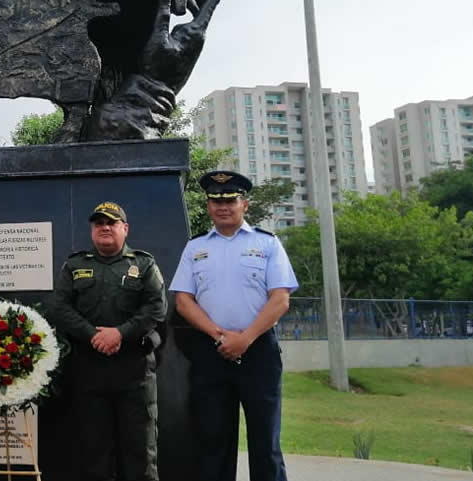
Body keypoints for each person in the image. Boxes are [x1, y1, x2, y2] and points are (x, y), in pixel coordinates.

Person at [170, 170, 299, 481]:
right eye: (215, 200)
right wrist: (219, 336)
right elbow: (183, 301)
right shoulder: (195, 248)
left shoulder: (267, 244)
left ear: (245, 204)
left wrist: (245, 338)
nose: (222, 206)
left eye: (230, 199)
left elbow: (280, 299)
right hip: (211, 353)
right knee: (213, 441)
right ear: (208, 206)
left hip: (258, 354)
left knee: (265, 442)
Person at [49, 200, 166, 481]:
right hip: (89, 372)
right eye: (99, 223)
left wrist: (119, 333)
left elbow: (156, 308)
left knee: (140, 452)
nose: (105, 227)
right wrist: (93, 336)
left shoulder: (144, 264)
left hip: (134, 371)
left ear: (124, 228)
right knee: (93, 453)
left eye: (111, 223)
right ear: (92, 230)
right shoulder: (75, 265)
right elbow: (59, 308)